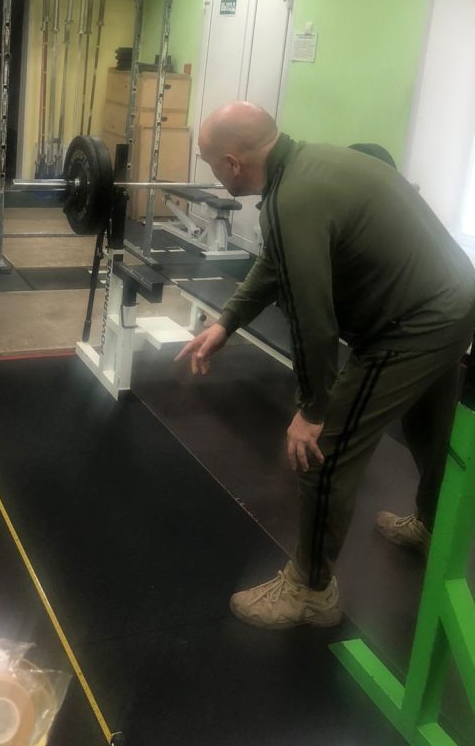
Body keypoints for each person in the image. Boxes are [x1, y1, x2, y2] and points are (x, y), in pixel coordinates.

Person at [176, 101, 475, 629]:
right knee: (428, 427)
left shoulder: (290, 200)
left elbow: (314, 320)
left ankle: (310, 589)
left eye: (208, 162)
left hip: (412, 325)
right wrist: (227, 322)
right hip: (456, 302)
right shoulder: (312, 165)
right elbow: (276, 262)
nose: (212, 172)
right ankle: (432, 525)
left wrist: (313, 409)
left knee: (323, 451)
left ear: (232, 162)